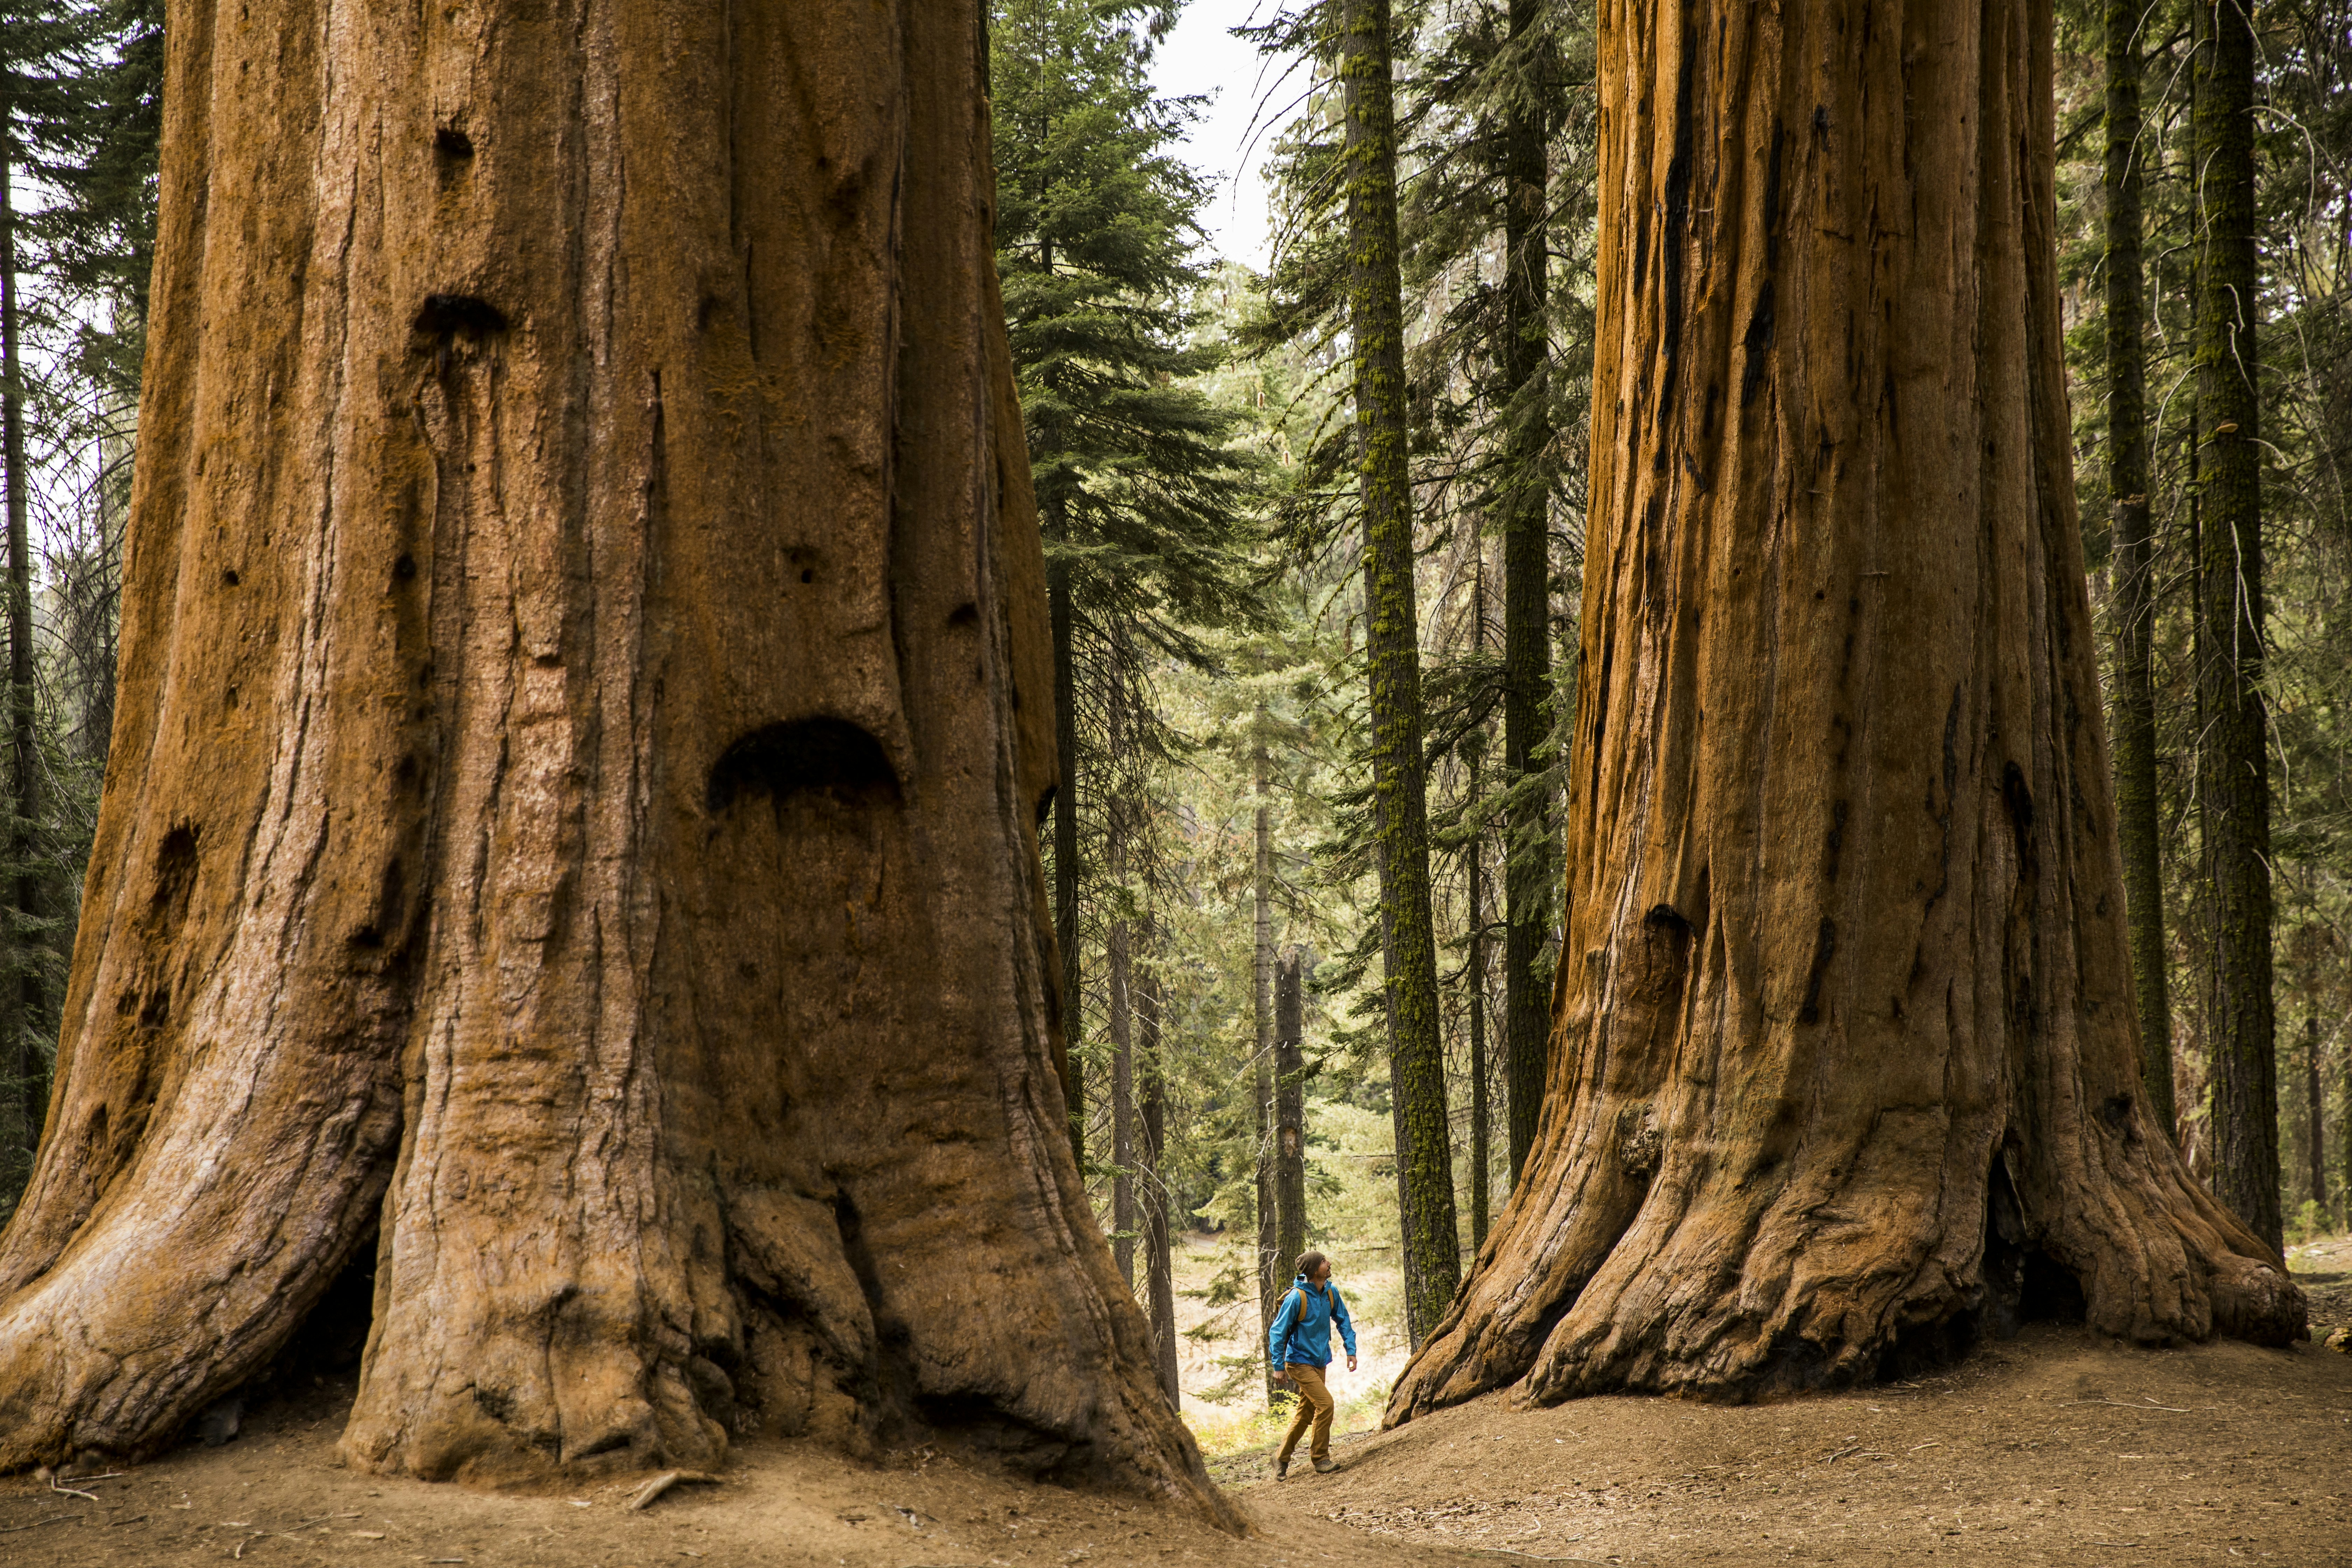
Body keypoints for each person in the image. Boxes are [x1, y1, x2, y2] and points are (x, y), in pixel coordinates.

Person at [1267, 1249, 1357, 1478]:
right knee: (1326, 1405)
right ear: (1314, 1269)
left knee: (1306, 1414)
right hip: (1298, 1362)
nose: (1329, 1263)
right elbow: (1278, 1332)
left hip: (1320, 1362)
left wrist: (1351, 1350)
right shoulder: (1297, 1298)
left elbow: (1343, 1319)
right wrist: (1278, 1366)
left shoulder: (1330, 1292)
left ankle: (1280, 1457)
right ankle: (1320, 1459)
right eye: (1324, 1261)